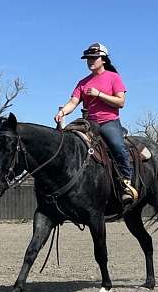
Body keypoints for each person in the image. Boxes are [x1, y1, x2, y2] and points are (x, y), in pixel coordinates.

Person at [55, 42, 138, 203]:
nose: (90, 61)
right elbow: (73, 102)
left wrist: (98, 94)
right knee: (69, 143)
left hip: (109, 121)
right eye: (88, 59)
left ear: (103, 60)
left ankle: (126, 183)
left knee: (118, 146)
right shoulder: (82, 82)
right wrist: (62, 111)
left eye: (94, 58)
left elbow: (121, 102)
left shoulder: (114, 78)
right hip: (89, 123)